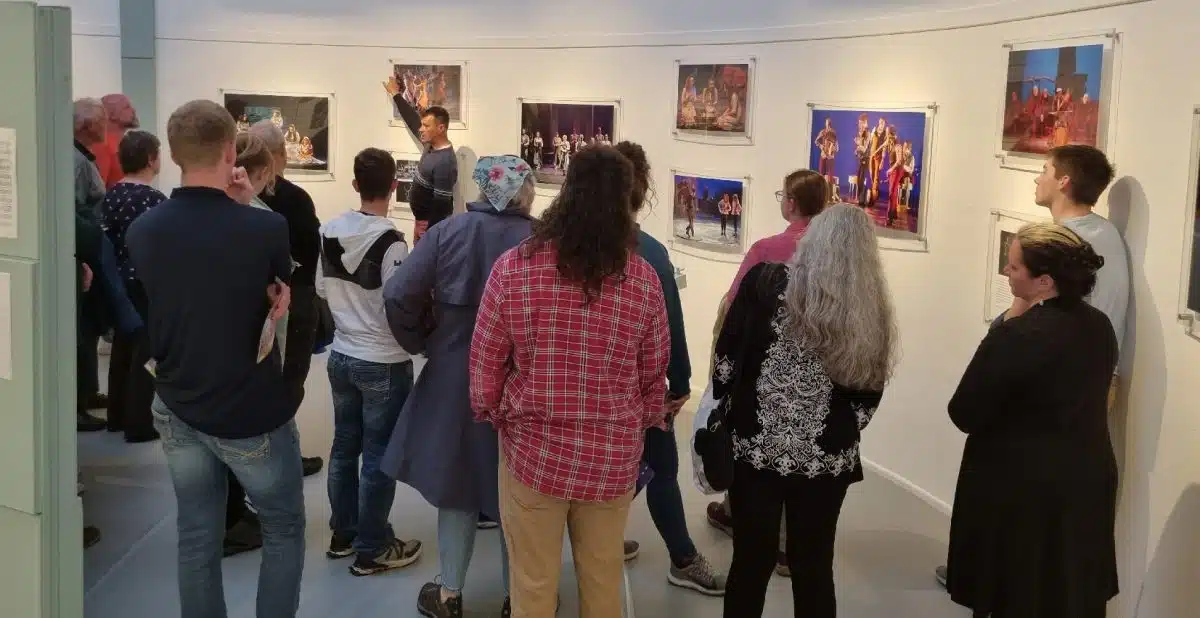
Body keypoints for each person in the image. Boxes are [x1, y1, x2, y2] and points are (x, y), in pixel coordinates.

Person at [469, 146, 670, 618]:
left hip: (534, 453)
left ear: (566, 192)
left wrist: (498, 413)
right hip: (610, 460)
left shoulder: (515, 268)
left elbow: (484, 366)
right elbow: (653, 376)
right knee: (602, 585)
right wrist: (635, 421)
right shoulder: (642, 280)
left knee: (532, 587)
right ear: (626, 201)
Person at [126, 99, 306, 618]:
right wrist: (249, 203)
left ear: (175, 154)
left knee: (196, 535)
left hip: (178, 401)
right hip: (248, 409)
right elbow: (280, 285)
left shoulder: (145, 230)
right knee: (283, 528)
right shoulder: (263, 229)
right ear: (231, 150)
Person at [934, 144, 1127, 590]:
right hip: (1079, 474)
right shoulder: (1096, 327)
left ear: (1044, 279)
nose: (1005, 272)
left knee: (1023, 588)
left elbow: (964, 410)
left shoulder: (1020, 336)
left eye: (1015, 265)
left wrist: (1011, 321)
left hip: (1027, 486)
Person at [714, 204, 898, 618]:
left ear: (814, 238)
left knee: (750, 561)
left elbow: (727, 357)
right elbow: (869, 392)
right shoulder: (871, 312)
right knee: (813, 565)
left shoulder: (764, 283)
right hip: (826, 459)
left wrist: (729, 409)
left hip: (756, 449)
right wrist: (837, 431)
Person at [382, 155, 537, 617]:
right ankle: (520, 602)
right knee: (520, 496)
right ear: (524, 190)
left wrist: (420, 340)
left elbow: (396, 293)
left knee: (457, 487)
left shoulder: (449, 233)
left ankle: (449, 595)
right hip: (523, 383)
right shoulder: (542, 242)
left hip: (454, 374)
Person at [612, 141, 726, 595]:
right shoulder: (651, 254)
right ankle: (683, 558)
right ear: (640, 192)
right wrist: (678, 384)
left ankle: (602, 537)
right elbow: (670, 326)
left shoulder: (562, 247)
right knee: (659, 466)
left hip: (579, 386)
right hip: (638, 388)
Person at [705, 169, 829, 576]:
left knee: (749, 442)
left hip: (761, 365)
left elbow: (733, 304)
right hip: (813, 372)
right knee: (796, 448)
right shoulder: (832, 252)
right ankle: (786, 546)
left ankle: (740, 519)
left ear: (791, 203)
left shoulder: (767, 249)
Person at [317, 147, 424, 577]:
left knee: (344, 448)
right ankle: (373, 548)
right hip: (383, 360)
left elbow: (322, 291)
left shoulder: (328, 230)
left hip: (341, 355)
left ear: (356, 183)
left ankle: (344, 534)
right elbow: (398, 305)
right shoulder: (393, 243)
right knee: (379, 454)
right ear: (395, 187)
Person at [248, 119, 326, 477]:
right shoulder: (293, 198)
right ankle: (278, 455)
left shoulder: (234, 199)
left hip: (251, 303)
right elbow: (311, 252)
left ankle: (265, 451)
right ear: (278, 155)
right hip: (293, 300)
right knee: (291, 376)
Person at [100, 129, 165, 443]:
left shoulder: (111, 194)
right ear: (152, 159)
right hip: (145, 282)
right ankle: (139, 422)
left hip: (117, 280)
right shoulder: (154, 200)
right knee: (146, 350)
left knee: (123, 348)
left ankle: (116, 415)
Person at [383, 77, 457, 243]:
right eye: (422, 125)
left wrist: (428, 233)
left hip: (430, 228)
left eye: (426, 126)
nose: (421, 129)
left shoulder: (445, 162)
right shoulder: (430, 144)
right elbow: (412, 119)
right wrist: (395, 93)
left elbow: (442, 205)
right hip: (422, 223)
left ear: (441, 128)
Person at [91, 93, 140, 189]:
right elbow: (98, 192)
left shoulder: (122, 145)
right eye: (127, 107)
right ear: (111, 115)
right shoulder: (102, 146)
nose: (133, 110)